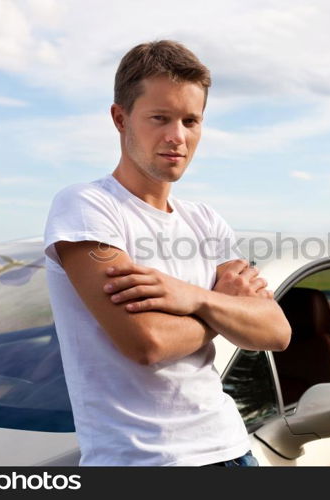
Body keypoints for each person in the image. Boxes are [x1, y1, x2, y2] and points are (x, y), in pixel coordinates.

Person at [43, 40, 291, 466]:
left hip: (233, 449)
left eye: (190, 120)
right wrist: (227, 310)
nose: (177, 136)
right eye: (160, 118)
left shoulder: (204, 220)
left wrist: (193, 297)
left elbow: (276, 331)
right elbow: (148, 342)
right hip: (141, 460)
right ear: (120, 119)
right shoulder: (87, 207)